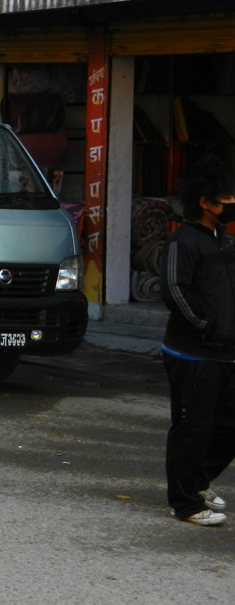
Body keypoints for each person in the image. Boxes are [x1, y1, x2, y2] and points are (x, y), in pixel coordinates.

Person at [160, 155, 235, 526]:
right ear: (205, 202)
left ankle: (198, 481)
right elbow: (174, 289)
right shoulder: (184, 240)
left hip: (226, 352)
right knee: (192, 427)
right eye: (225, 198)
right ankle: (185, 502)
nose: (232, 203)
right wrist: (204, 324)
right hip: (192, 353)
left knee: (228, 425)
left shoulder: (224, 241)